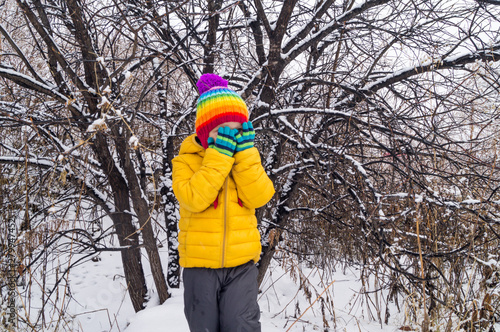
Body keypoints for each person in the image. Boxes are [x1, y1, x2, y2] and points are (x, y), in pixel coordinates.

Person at [172, 73, 275, 331]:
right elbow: (193, 199)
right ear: (206, 132)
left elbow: (261, 196)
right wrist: (218, 158)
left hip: (241, 264)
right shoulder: (186, 161)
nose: (232, 136)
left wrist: (246, 157)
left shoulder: (246, 159)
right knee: (204, 326)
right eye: (222, 130)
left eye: (237, 129)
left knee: (242, 325)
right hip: (200, 264)